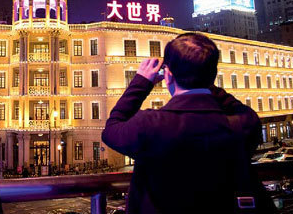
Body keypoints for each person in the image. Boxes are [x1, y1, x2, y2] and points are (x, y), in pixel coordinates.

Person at [102, 32, 262, 213]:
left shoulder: (149, 125)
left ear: (168, 75)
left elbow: (112, 128)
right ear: (213, 74)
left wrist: (141, 83)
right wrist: (201, 77)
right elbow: (238, 108)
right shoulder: (243, 125)